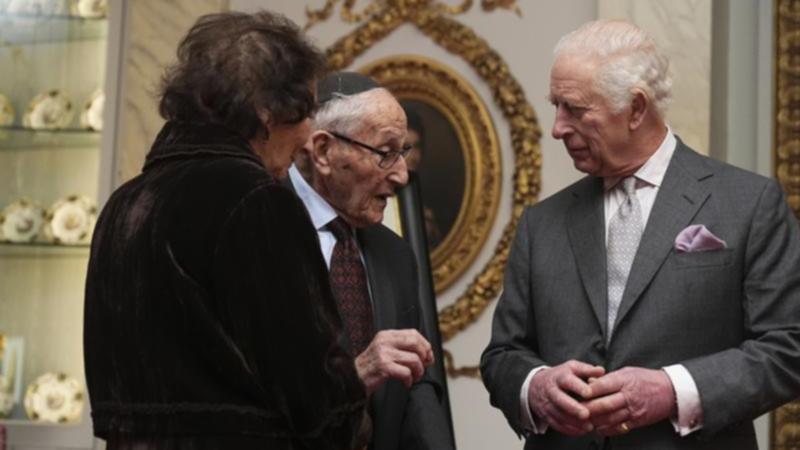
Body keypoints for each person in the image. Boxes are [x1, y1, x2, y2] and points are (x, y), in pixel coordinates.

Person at [481, 19, 800, 450]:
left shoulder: (749, 203)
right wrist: (535, 386)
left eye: (574, 109)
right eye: (556, 105)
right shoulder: (542, 223)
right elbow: (502, 356)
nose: (557, 128)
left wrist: (673, 390)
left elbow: (787, 348)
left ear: (635, 108)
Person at [83, 11, 366, 450]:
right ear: (266, 111)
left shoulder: (121, 205)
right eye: (306, 111)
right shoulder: (257, 202)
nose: (311, 135)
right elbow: (315, 395)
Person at [288, 71, 456, 450]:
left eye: (403, 153)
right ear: (324, 151)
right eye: (385, 153)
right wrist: (354, 375)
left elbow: (417, 383)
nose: (401, 175)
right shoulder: (257, 229)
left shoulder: (395, 253)